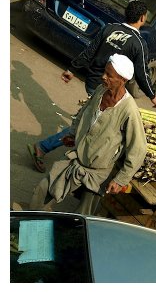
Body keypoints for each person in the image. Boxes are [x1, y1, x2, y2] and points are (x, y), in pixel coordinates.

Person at [27, 0, 156, 173]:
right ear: (142, 18)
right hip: (107, 89)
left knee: (88, 121)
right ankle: (45, 149)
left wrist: (72, 69)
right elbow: (142, 73)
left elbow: (90, 51)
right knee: (87, 125)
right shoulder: (138, 43)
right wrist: (152, 95)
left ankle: (56, 151)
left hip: (92, 81)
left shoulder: (109, 28)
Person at [29, 54, 147, 214]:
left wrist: (121, 179)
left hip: (98, 171)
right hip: (77, 157)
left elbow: (138, 149)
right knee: (44, 189)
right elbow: (83, 112)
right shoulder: (100, 90)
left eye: (109, 76)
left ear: (123, 80)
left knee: (82, 216)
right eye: (104, 72)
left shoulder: (129, 110)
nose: (103, 77)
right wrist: (72, 135)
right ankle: (29, 221)